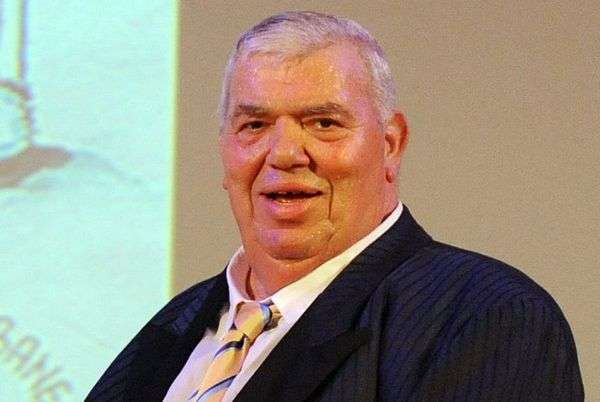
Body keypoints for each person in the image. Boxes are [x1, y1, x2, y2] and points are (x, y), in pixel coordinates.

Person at [87, 11, 583, 402]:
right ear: (224, 150)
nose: (284, 154)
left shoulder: (485, 317)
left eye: (323, 123)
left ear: (390, 144)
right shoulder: (173, 328)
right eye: (254, 126)